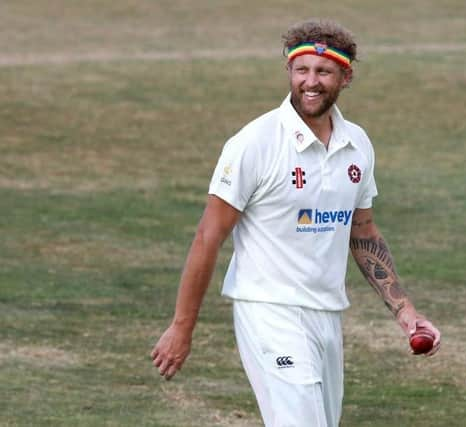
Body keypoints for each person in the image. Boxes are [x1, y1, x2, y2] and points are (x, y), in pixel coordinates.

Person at [150, 19, 441, 427]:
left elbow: (363, 232)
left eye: (323, 72)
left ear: (345, 76)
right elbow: (208, 236)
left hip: (326, 313)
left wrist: (405, 312)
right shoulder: (256, 143)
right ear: (289, 72)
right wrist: (182, 327)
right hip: (269, 311)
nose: (311, 82)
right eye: (301, 70)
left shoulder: (356, 144)